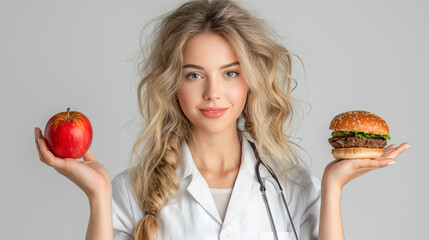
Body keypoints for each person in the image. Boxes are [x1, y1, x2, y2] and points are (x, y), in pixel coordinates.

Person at [34, 0, 410, 239]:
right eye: (194, 74)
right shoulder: (131, 191)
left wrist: (333, 187)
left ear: (252, 80)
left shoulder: (295, 187)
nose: (213, 92)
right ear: (173, 84)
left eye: (230, 73)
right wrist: (99, 197)